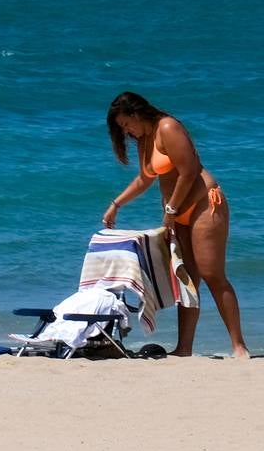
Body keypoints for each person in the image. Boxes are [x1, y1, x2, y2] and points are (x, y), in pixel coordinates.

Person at [102, 91, 249, 358]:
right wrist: (117, 204)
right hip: (178, 212)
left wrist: (171, 209)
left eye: (126, 125)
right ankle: (184, 348)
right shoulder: (144, 140)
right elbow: (145, 179)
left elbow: (189, 170)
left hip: (204, 203)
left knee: (212, 274)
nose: (127, 132)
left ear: (136, 114)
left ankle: (239, 346)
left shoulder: (167, 127)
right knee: (187, 280)